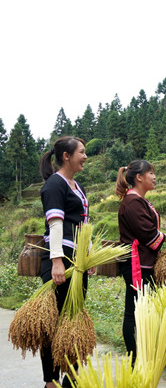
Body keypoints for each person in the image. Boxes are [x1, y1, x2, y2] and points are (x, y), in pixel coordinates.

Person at [115, 160, 166, 364]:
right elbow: (147, 235)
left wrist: (165, 235)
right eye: (151, 173)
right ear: (139, 177)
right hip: (137, 265)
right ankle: (135, 358)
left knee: (140, 310)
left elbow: (149, 232)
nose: (154, 177)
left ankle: (142, 354)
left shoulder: (138, 201)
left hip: (144, 263)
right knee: (133, 312)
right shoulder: (133, 202)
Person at [39, 136, 90, 388]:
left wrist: (87, 257)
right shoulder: (54, 185)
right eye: (81, 152)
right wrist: (57, 261)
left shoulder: (76, 185)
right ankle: (51, 381)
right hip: (61, 260)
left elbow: (83, 225)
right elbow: (56, 225)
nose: (85, 156)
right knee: (53, 323)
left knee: (73, 321)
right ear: (66, 156)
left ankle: (71, 377)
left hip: (77, 262)